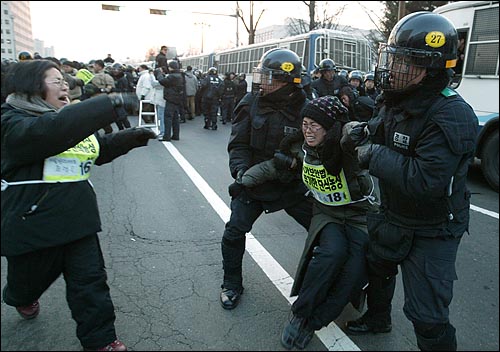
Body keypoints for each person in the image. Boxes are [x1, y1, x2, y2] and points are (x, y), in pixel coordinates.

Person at [342, 12, 479, 351]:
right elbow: (378, 131)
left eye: (404, 62)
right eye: (395, 58)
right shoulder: (396, 98)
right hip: (394, 213)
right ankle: (378, 319)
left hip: (434, 227)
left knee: (427, 315)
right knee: (379, 267)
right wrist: (355, 133)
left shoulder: (452, 114)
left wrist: (372, 154)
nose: (395, 68)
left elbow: (427, 181)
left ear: (429, 69)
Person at [1, 59, 156, 351]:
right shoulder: (10, 122)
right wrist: (109, 103)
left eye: (64, 80)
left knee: (90, 282)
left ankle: (101, 341)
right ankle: (20, 296)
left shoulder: (66, 120)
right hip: (32, 224)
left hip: (78, 219)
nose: (66, 86)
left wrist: (131, 138)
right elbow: (46, 133)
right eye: (56, 81)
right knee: (26, 284)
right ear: (31, 86)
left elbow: (97, 150)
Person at [235, 96, 379, 349]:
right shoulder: (300, 147)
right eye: (305, 123)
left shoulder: (345, 144)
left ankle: (315, 322)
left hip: (359, 217)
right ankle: (300, 316)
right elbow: (272, 167)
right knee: (329, 256)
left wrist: (356, 132)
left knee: (353, 272)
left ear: (330, 127)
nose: (308, 130)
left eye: (315, 125)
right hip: (328, 214)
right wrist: (244, 179)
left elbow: (351, 134)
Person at [219, 48, 313, 310]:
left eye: (269, 77)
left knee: (323, 232)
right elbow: (238, 145)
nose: (262, 82)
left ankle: (317, 286)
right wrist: (240, 172)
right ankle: (231, 284)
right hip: (254, 183)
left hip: (290, 184)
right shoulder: (250, 103)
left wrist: (295, 162)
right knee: (234, 232)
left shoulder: (306, 108)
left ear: (286, 82)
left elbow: (317, 148)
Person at [159, 60, 185, 141]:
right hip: (177, 98)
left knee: (168, 117)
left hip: (170, 98)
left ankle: (166, 136)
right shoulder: (180, 75)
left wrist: (159, 74)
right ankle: (176, 135)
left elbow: (162, 82)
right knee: (175, 118)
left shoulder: (172, 76)